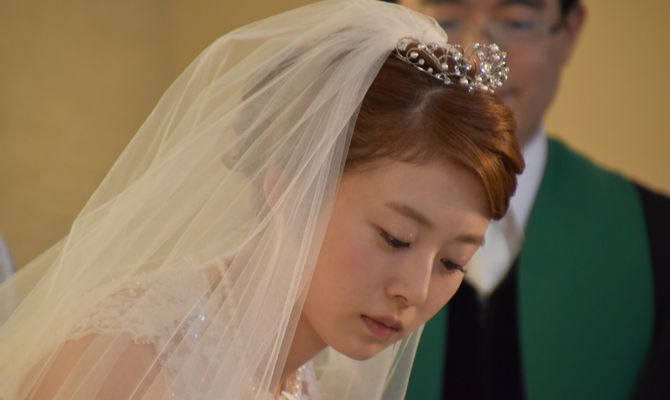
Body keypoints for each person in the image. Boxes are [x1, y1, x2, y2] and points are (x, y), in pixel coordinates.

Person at [0, 1, 523, 399]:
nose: (415, 290)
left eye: (453, 262)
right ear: (291, 188)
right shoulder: (127, 363)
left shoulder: (303, 381)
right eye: (396, 237)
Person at [392, 0, 670, 399]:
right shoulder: (324, 215)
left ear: (569, 31)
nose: (474, 56)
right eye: (445, 18)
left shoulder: (655, 238)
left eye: (517, 22)